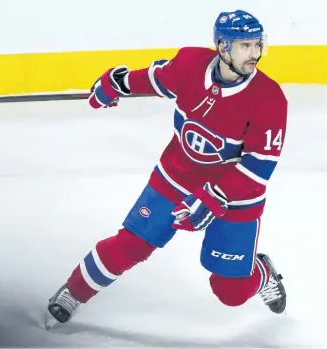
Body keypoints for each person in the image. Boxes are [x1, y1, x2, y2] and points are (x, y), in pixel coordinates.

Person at [45, 9, 287, 329]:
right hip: (177, 176)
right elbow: (155, 79)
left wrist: (214, 196)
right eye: (245, 46)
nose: (255, 54)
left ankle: (262, 273)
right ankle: (73, 292)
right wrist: (119, 83)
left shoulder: (269, 99)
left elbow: (258, 170)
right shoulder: (189, 65)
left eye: (258, 45)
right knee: (131, 244)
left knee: (230, 291)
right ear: (223, 47)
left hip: (235, 196)